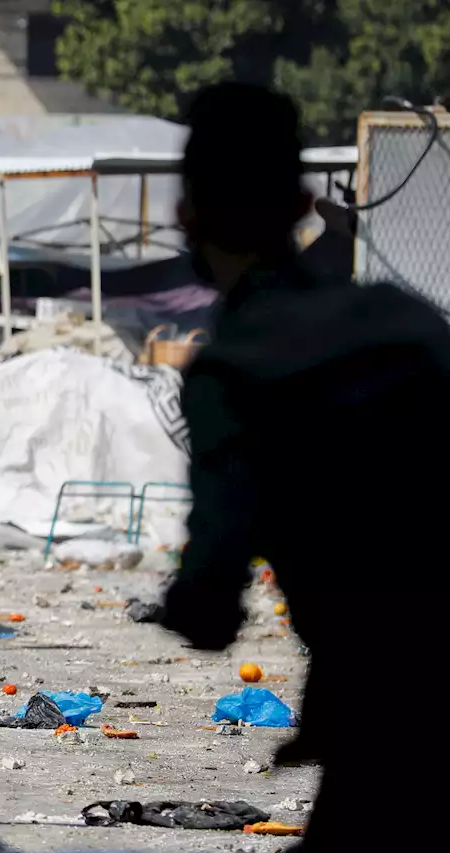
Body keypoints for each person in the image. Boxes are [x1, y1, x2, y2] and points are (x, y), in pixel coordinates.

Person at [160, 82, 449, 851]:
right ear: (301, 204)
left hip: (394, 712)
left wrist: (185, 601)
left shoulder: (232, 372)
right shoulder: (409, 322)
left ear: (188, 218)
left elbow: (211, 598)